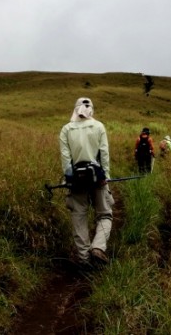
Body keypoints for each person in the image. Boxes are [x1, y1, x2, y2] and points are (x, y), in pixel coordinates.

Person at [59, 97, 114, 267]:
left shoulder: (66, 130)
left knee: (79, 218)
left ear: (75, 110)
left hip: (76, 180)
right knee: (105, 214)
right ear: (91, 110)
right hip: (98, 178)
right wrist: (105, 176)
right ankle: (98, 247)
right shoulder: (99, 126)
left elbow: (66, 159)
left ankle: (84, 260)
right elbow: (104, 153)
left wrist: (69, 178)